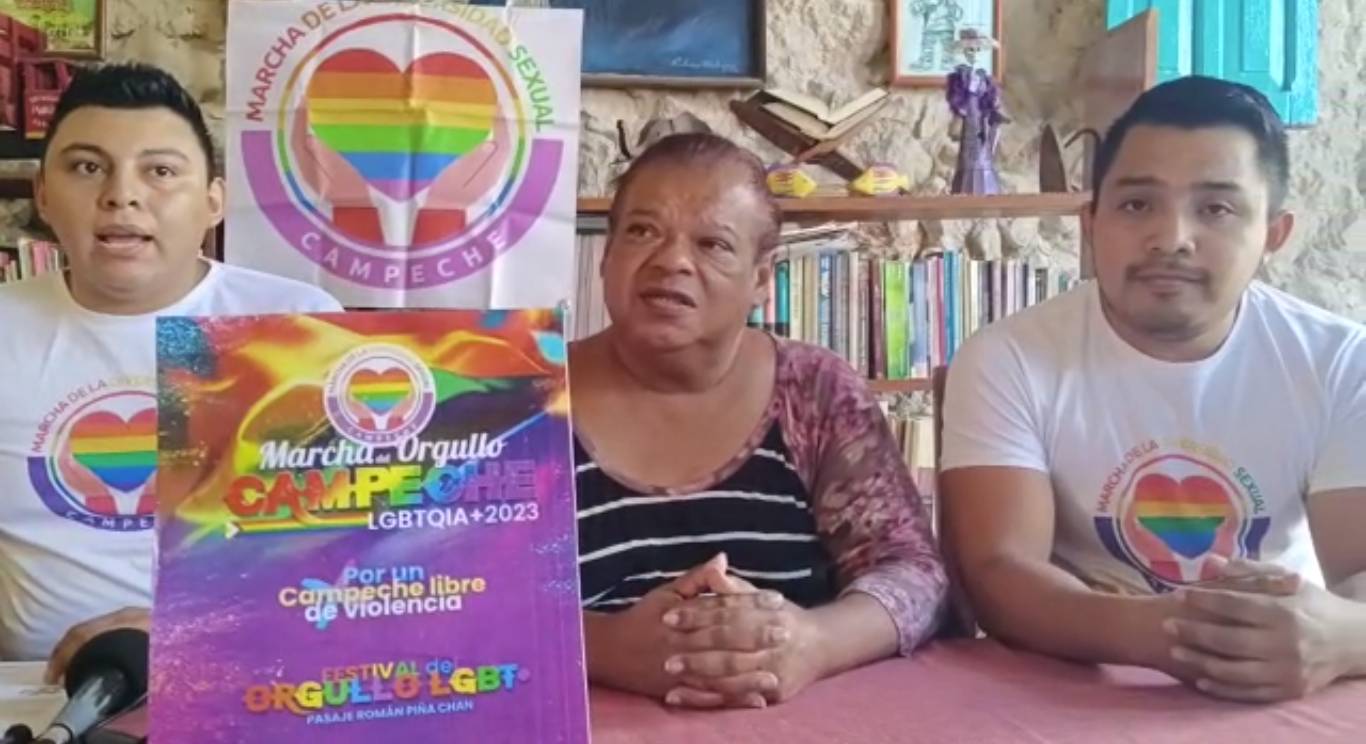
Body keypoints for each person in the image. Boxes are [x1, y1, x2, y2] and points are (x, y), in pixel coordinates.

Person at [940, 76, 1366, 702]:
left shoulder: (1342, 362)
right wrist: (1181, 634)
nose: (1171, 238)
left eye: (1216, 209)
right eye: (1138, 205)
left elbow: (1360, 575)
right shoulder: (1007, 359)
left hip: (1285, 676)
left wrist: (1339, 639)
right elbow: (1001, 574)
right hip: (1078, 680)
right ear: (1091, 223)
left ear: (1274, 234)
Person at [569, 133, 946, 710]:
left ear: (762, 280)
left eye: (713, 243)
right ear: (606, 255)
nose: (671, 260)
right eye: (642, 232)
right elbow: (457, 601)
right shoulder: (521, 397)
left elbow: (915, 574)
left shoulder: (815, 391)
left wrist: (812, 642)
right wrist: (602, 648)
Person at [0, 63, 341, 681]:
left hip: (255, 674)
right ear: (43, 195)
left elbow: (357, 552)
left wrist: (184, 636)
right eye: (87, 167)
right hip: (36, 691)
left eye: (159, 171)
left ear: (213, 201)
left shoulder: (296, 323)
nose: (121, 195)